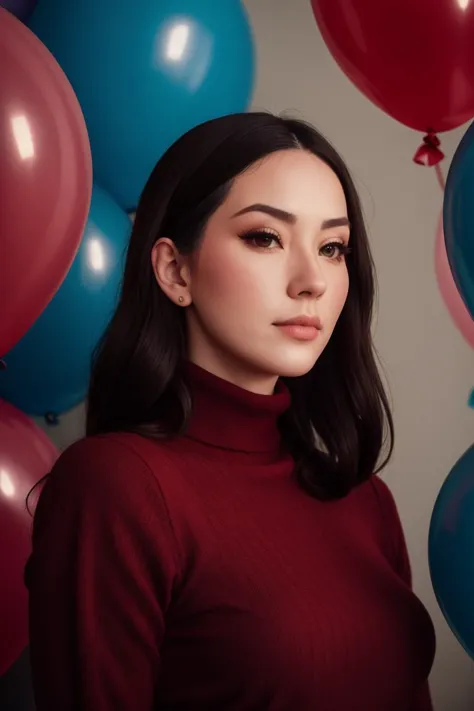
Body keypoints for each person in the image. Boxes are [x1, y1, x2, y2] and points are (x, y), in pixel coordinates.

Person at [25, 112, 436, 711]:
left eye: (332, 247)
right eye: (265, 237)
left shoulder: (364, 501)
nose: (310, 282)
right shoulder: (114, 488)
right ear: (175, 269)